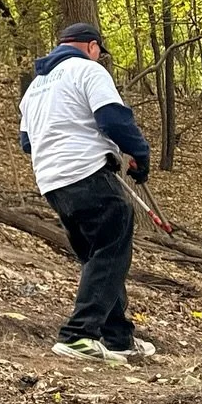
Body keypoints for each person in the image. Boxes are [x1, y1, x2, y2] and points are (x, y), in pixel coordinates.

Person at [19, 23, 156, 364]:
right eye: (100, 52)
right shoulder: (87, 71)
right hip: (87, 172)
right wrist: (139, 154)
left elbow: (26, 142)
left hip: (52, 182)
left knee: (100, 257)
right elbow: (113, 118)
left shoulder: (35, 87)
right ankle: (78, 335)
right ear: (92, 47)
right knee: (111, 251)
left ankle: (117, 339)